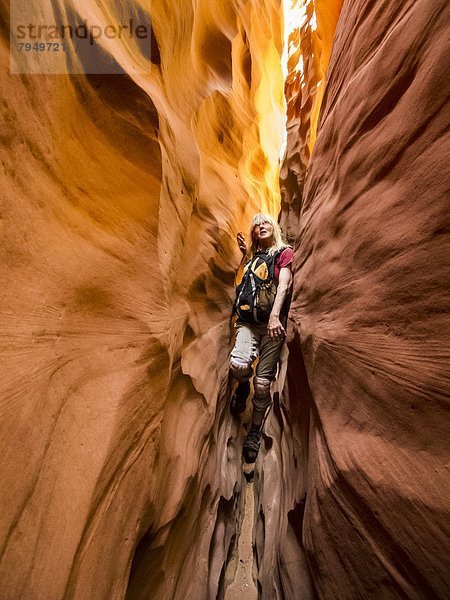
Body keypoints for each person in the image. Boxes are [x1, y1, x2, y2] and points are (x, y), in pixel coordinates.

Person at [229, 213, 293, 463]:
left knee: (263, 384)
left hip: (271, 327)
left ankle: (254, 431)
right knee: (238, 366)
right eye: (257, 225)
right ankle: (243, 385)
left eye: (265, 223)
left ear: (274, 227)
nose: (261, 227)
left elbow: (284, 285)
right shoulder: (254, 258)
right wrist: (245, 255)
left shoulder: (283, 253)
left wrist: (275, 317)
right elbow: (249, 284)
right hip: (247, 322)